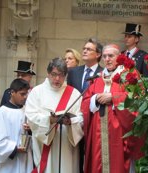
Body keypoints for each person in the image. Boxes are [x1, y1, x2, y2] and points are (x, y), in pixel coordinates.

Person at [82, 44, 143, 173]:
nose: (107, 59)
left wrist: (113, 98)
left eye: (111, 56)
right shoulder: (97, 78)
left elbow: (137, 100)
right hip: (97, 134)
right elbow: (85, 102)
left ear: (119, 57)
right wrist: (95, 99)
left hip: (119, 134)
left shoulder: (129, 75)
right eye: (104, 56)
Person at [25, 57, 83, 173]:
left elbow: (81, 119)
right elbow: (31, 117)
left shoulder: (74, 94)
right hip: (45, 146)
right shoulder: (37, 92)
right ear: (48, 73)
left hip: (66, 145)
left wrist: (70, 122)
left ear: (66, 75)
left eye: (61, 75)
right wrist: (49, 120)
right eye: (54, 74)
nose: (57, 79)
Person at [67, 38, 103, 173]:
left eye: (89, 49)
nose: (85, 51)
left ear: (98, 54)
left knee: (92, 157)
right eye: (84, 48)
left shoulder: (103, 73)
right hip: (75, 121)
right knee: (75, 158)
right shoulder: (73, 72)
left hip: (93, 122)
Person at [0, 78, 33, 173]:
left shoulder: (27, 111)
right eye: (22, 94)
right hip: (7, 163)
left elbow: (35, 134)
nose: (25, 97)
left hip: (24, 159)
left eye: (26, 94)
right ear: (12, 92)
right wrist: (15, 148)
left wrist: (31, 130)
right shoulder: (1, 113)